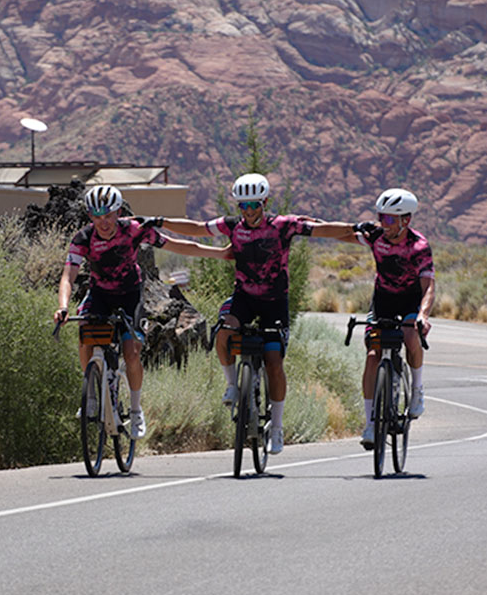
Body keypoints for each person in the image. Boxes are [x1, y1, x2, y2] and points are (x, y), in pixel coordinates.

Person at [142, 173, 351, 454]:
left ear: (265, 202)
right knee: (223, 332)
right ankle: (231, 385)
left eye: (254, 204)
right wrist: (160, 222)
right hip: (244, 298)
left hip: (275, 302)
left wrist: (357, 228)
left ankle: (276, 428)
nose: (249, 211)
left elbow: (324, 231)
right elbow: (197, 228)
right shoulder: (232, 226)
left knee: (274, 360)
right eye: (243, 206)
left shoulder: (283, 225)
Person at [54, 185, 233, 440]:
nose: (103, 222)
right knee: (85, 333)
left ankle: (136, 410)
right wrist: (62, 306)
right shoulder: (83, 238)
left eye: (108, 215)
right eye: (96, 216)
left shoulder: (134, 230)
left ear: (118, 212)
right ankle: (91, 395)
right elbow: (68, 276)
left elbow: (176, 245)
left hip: (130, 295)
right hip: (100, 294)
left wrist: (219, 253)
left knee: (131, 350)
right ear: (90, 216)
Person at [340, 188, 434, 449]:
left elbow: (428, 286)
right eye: (382, 217)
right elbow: (344, 235)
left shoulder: (419, 246)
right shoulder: (376, 237)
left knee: (410, 334)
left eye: (390, 219)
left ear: (406, 220)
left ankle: (417, 391)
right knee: (372, 355)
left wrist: (423, 315)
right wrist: (308, 226)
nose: (384, 223)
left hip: (410, 301)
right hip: (383, 300)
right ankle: (370, 422)